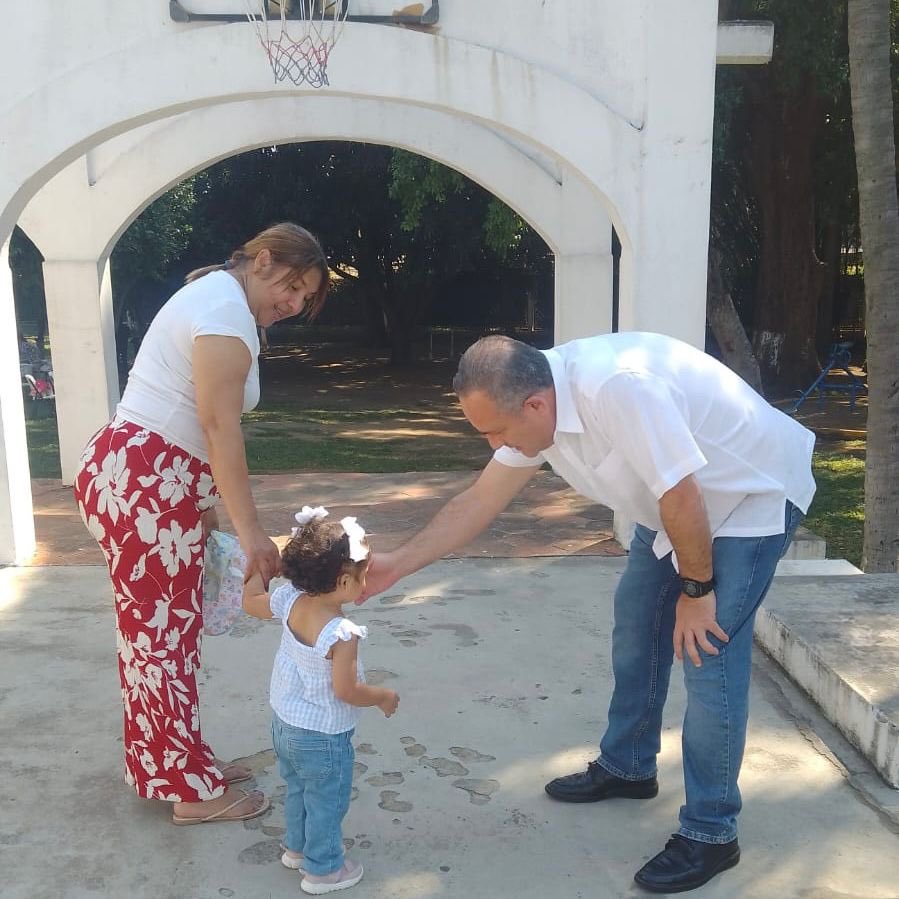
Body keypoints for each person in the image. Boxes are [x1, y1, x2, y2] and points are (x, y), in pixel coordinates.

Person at [360, 331, 815, 894]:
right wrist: (396, 565)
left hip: (749, 494)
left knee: (709, 658)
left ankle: (711, 832)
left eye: (495, 432)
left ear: (535, 405)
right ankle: (628, 765)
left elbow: (682, 493)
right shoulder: (536, 403)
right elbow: (479, 500)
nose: (494, 445)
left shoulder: (620, 389)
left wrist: (697, 593)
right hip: (678, 503)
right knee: (637, 624)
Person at [73, 223, 330, 826]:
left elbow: (192, 423)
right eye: (292, 286)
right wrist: (250, 531)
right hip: (146, 487)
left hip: (145, 482)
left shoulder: (220, 299)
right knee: (160, 641)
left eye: (304, 296)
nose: (293, 304)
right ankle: (188, 791)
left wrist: (206, 508)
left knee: (160, 638)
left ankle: (175, 763)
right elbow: (218, 428)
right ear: (261, 260)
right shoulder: (225, 313)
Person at [243, 506, 400, 895]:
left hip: (285, 725)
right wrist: (382, 696)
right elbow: (346, 690)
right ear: (344, 581)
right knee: (327, 801)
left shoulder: (290, 599)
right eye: (364, 575)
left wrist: (256, 573)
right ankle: (324, 869)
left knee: (298, 788)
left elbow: (251, 602)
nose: (366, 582)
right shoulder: (341, 634)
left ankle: (296, 849)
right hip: (323, 737)